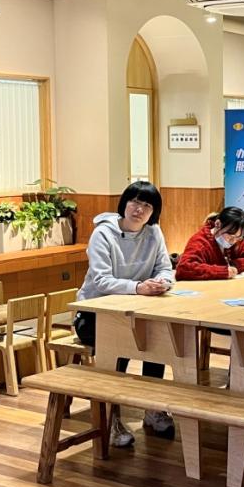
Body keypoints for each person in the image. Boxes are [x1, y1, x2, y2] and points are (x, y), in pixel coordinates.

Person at [74, 181, 176, 446]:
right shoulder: (103, 234)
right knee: (120, 345)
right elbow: (101, 281)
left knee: (157, 340)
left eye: (147, 205)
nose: (139, 210)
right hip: (94, 315)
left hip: (136, 311)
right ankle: (111, 419)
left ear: (154, 212)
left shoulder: (154, 232)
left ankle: (152, 408)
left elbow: (165, 267)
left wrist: (162, 282)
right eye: (135, 202)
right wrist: (138, 287)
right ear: (124, 204)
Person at [175, 206, 244, 280]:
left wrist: (234, 266)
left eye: (238, 237)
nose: (233, 241)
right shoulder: (200, 242)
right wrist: (223, 271)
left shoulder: (236, 240)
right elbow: (183, 269)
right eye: (230, 236)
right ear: (218, 224)